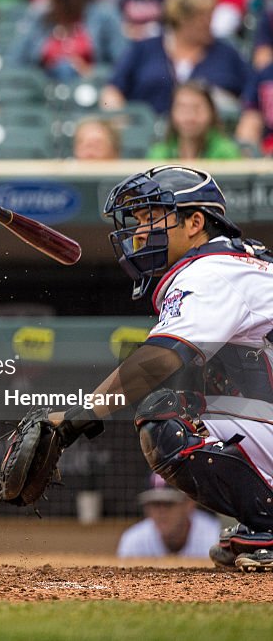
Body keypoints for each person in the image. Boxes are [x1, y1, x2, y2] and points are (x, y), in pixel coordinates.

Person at [43, 165, 273, 573]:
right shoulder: (234, 263)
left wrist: (77, 419)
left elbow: (159, 359)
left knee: (164, 416)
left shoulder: (212, 271)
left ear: (195, 222)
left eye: (153, 218)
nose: (140, 232)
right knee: (190, 395)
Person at [103, 0, 251, 116]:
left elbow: (250, 97)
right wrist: (121, 118)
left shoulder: (226, 54)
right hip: (148, 136)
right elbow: (112, 91)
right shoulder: (145, 49)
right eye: (201, 18)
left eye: (210, 16)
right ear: (181, 18)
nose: (208, 23)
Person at [7, 0, 125, 82]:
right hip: (46, 91)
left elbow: (123, 64)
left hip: (90, 91)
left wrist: (91, 72)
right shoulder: (38, 15)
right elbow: (15, 61)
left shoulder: (104, 14)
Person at [117, 474, 221, 559]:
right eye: (155, 504)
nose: (161, 512)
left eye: (168, 503)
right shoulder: (134, 541)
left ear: (189, 504)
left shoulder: (214, 537)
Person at [148, 81, 241, 161]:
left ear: (212, 112)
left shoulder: (227, 152)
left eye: (197, 108)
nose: (189, 117)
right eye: (182, 108)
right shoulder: (160, 153)